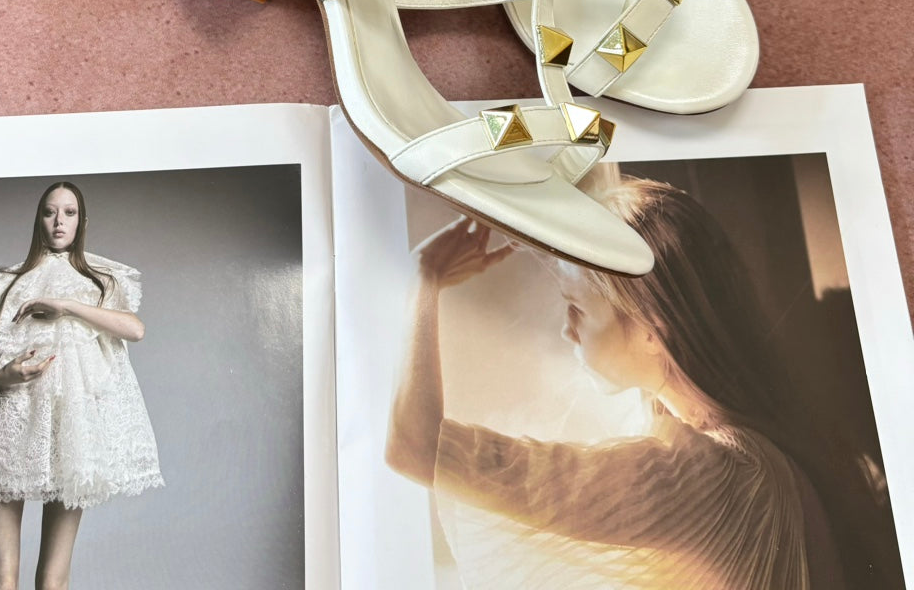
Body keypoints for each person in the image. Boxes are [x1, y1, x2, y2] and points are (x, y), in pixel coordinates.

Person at [386, 177, 901, 589]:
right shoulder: (756, 453)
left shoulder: (708, 478)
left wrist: (425, 277)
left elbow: (416, 447)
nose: (566, 330)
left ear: (654, 330)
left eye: (576, 308)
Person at [0, 182, 163, 590]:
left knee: (53, 581)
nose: (59, 222)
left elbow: (135, 329)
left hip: (68, 431)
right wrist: (3, 376)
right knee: (1, 579)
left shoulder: (99, 282)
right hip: (7, 427)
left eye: (69, 212)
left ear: (82, 221)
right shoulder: (9, 283)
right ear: (38, 220)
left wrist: (66, 306)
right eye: (50, 212)